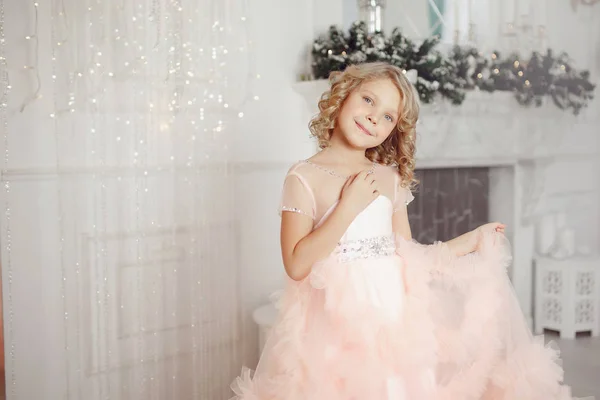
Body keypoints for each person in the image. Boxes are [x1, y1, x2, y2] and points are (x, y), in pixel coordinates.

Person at [231, 62, 590, 400]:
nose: (374, 116)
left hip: (392, 319)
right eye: (368, 100)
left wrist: (469, 241)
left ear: (393, 130)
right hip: (333, 327)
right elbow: (296, 265)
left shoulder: (388, 178)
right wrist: (348, 207)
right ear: (343, 95)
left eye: (387, 116)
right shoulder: (303, 176)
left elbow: (409, 256)